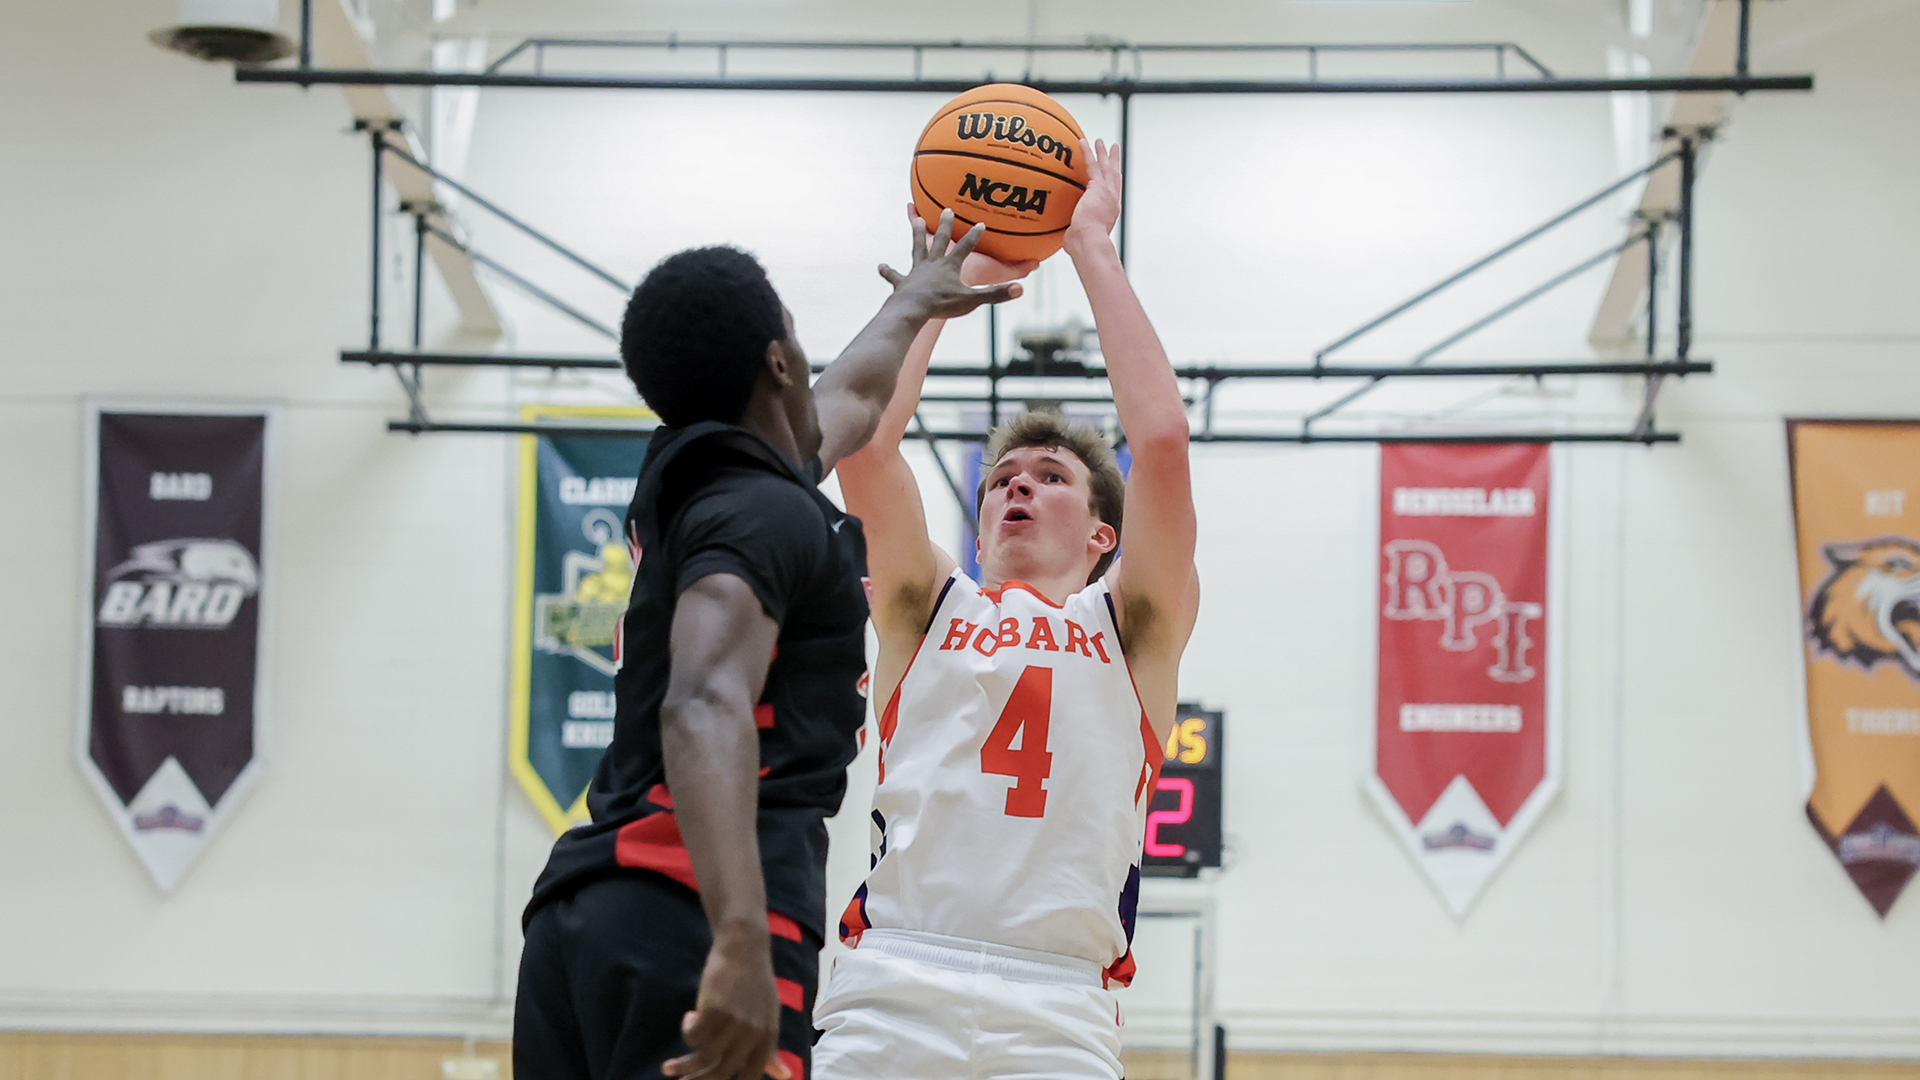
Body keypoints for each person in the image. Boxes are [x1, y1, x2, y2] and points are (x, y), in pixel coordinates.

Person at [513, 212, 1021, 1080]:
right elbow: (703, 701)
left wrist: (916, 301)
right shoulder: (763, 513)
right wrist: (738, 939)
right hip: (695, 915)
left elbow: (853, 402)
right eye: (792, 331)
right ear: (780, 360)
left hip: (584, 910)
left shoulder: (701, 474)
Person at [815, 139, 1200, 1080]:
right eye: (1002, 481)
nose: (1016, 490)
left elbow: (1161, 441)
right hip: (897, 980)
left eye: (1051, 477)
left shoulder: (1131, 626)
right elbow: (864, 452)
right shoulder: (930, 604)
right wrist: (933, 291)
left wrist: (1090, 248)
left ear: (1105, 534)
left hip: (1059, 1005)